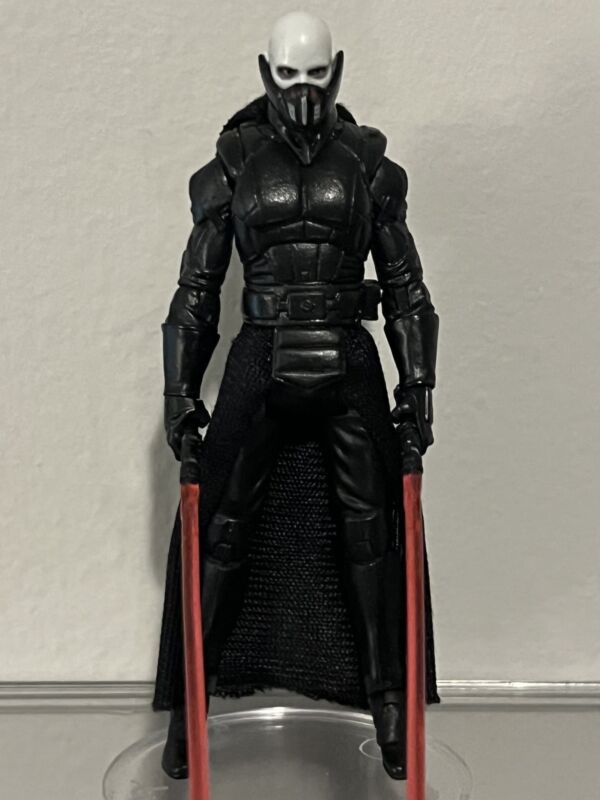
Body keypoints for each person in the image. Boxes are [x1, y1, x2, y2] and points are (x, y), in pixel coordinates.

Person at [153, 10, 440, 781]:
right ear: (265, 72)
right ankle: (189, 711)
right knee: (220, 534)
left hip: (348, 353)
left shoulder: (370, 167)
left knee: (372, 538)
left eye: (316, 75)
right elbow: (196, 293)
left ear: (337, 72)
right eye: (289, 75)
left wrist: (418, 381)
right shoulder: (233, 166)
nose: (304, 91)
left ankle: (388, 708)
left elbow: (407, 288)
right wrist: (180, 392)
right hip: (262, 353)